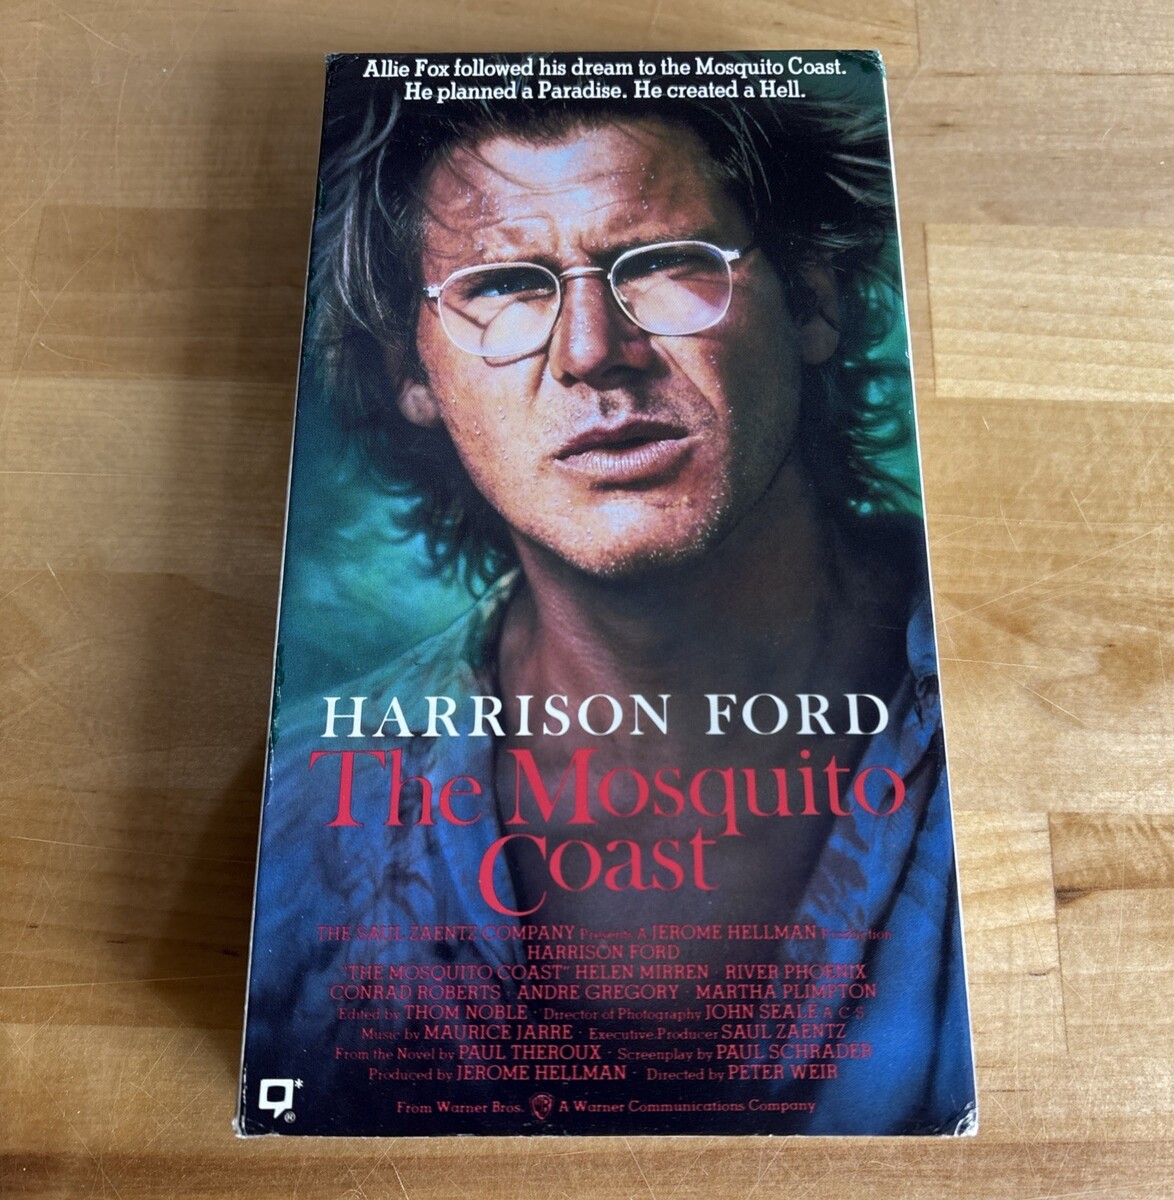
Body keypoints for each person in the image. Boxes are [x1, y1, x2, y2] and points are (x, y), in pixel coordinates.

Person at [242, 63, 975, 1136]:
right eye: (505, 285)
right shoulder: (299, 830)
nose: (592, 353)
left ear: (813, 299)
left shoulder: (1004, 708)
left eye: (666, 264)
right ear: (413, 371)